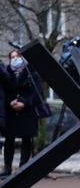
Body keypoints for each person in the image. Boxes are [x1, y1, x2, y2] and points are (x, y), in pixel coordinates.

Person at [0, 49, 42, 177]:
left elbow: (38, 94)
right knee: (9, 139)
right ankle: (7, 167)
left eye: (17, 56)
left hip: (27, 112)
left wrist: (24, 103)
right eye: (12, 57)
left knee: (26, 138)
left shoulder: (31, 73)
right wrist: (10, 103)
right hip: (11, 112)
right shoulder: (5, 73)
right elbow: (2, 93)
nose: (15, 59)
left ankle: (23, 166)